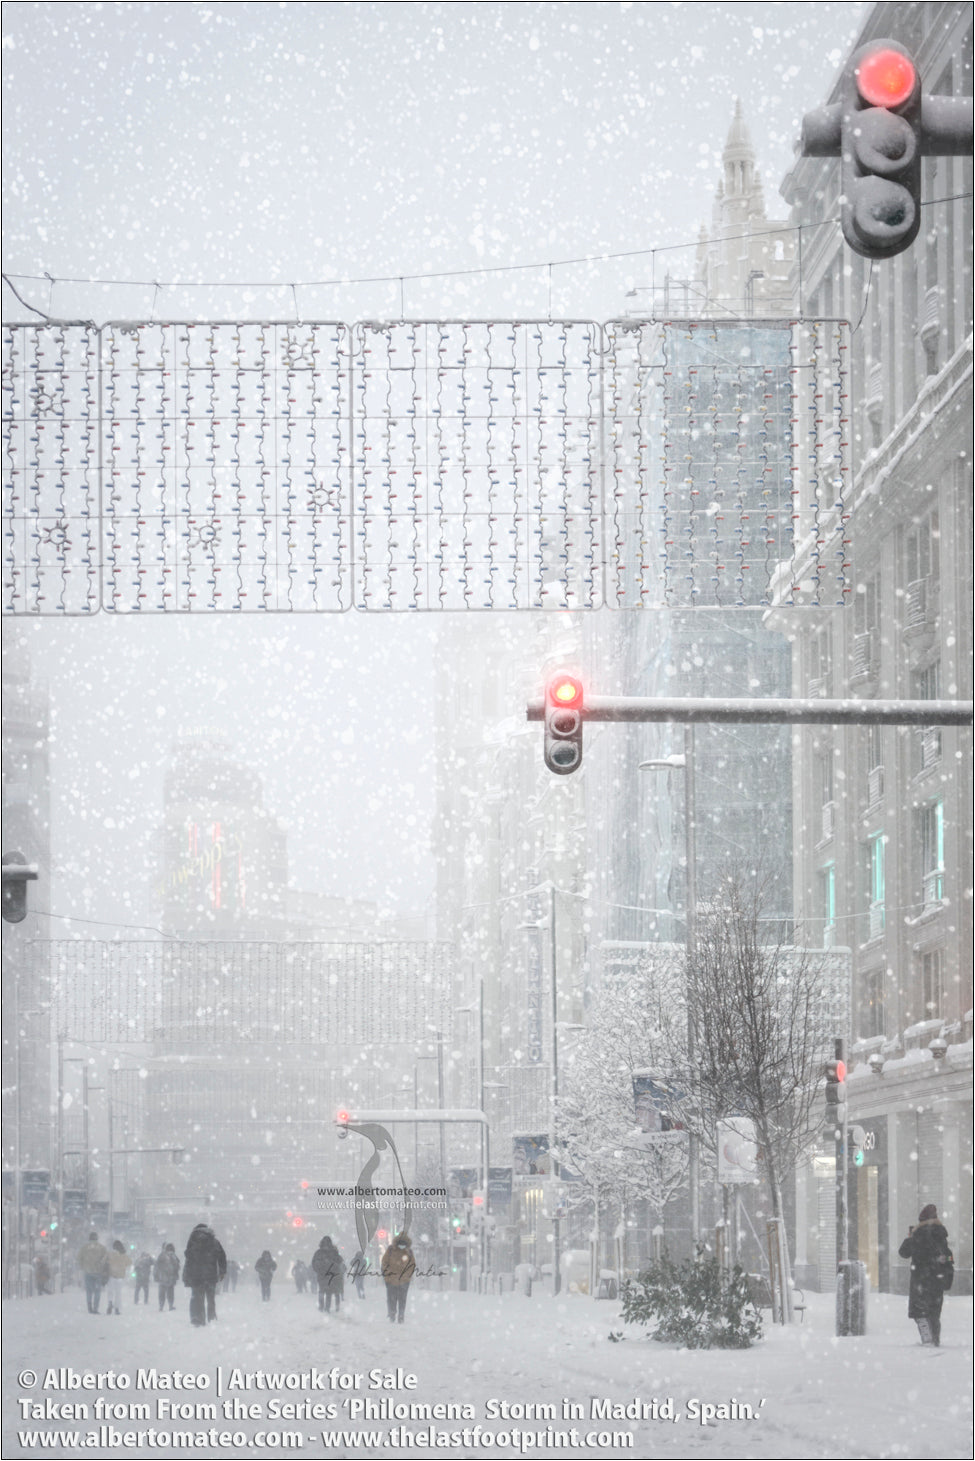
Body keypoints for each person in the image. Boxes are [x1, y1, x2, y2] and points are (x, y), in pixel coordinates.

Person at [899, 1203, 954, 1346]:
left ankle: (927, 1338)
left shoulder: (917, 1236)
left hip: (921, 1279)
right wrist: (944, 1267)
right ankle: (935, 1339)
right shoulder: (941, 1235)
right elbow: (948, 1257)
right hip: (938, 1279)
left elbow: (903, 1253)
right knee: (934, 1313)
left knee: (920, 1312)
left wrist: (910, 1238)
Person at [183, 1222, 227, 1327]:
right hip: (211, 1274)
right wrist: (222, 1271)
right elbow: (222, 1257)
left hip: (196, 1275)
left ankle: (198, 1318)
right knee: (211, 1298)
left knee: (197, 1297)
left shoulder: (193, 1240)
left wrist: (187, 1275)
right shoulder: (215, 1242)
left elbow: (188, 1258)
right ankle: (211, 1317)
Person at [381, 1232, 415, 1324]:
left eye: (404, 1244)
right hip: (392, 1280)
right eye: (401, 1244)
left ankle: (401, 1315)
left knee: (402, 1299)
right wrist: (388, 1274)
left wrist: (406, 1275)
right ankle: (392, 1314)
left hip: (403, 1281)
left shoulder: (409, 1252)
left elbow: (411, 1265)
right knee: (392, 1299)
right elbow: (384, 1263)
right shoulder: (391, 1250)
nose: (402, 1246)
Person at [77, 1232, 110, 1314]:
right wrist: (101, 1266)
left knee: (89, 1291)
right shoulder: (101, 1248)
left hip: (88, 1272)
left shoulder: (84, 1248)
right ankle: (95, 1308)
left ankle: (89, 1307)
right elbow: (106, 1259)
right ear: (97, 1238)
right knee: (97, 1291)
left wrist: (83, 1266)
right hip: (98, 1272)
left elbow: (79, 1258)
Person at [311, 1236, 344, 1314]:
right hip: (330, 1275)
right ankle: (327, 1307)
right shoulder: (333, 1252)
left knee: (322, 1291)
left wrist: (319, 1270)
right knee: (329, 1291)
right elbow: (339, 1260)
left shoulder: (318, 1252)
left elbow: (314, 1264)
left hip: (322, 1275)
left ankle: (321, 1306)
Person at [154, 1243, 180, 1311]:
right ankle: (170, 1306)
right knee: (170, 1292)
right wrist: (176, 1276)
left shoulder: (162, 1255)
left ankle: (161, 1306)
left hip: (162, 1277)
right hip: (170, 1278)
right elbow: (177, 1267)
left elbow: (157, 1266)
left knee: (162, 1293)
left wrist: (156, 1276)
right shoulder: (174, 1256)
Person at [106, 1240, 129, 1315]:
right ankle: (117, 1308)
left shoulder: (110, 1254)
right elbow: (129, 1263)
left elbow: (105, 1262)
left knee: (110, 1291)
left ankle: (110, 1302)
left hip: (111, 1275)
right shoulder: (124, 1255)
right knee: (118, 1294)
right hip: (120, 1277)